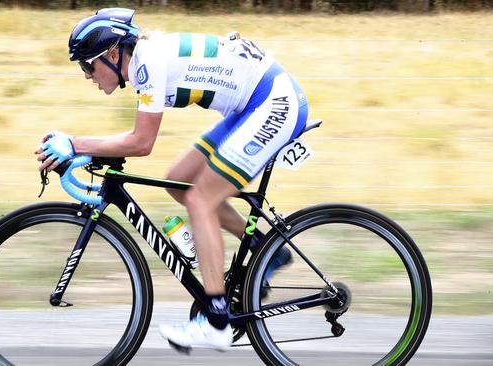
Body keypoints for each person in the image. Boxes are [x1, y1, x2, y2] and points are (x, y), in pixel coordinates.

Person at [34, 8, 305, 351]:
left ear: (113, 54)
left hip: (272, 103)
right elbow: (137, 141)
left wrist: (74, 144)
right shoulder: (144, 60)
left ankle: (218, 322)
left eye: (88, 65)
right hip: (252, 105)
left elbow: (141, 143)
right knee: (180, 181)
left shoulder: (147, 65)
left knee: (199, 200)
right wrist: (82, 147)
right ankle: (266, 251)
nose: (87, 74)